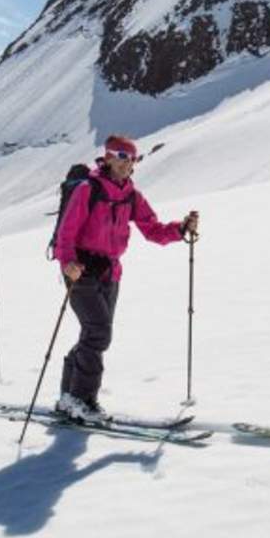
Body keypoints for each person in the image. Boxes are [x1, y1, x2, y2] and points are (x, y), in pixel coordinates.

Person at [51, 136, 198, 424]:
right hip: (80, 271)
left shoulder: (131, 196)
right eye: (120, 156)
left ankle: (68, 397)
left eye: (131, 158)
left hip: (110, 273)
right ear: (107, 157)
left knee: (92, 334)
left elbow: (153, 229)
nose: (126, 162)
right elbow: (66, 233)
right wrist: (67, 263)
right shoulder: (87, 189)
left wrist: (180, 229)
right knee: (98, 333)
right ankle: (82, 400)